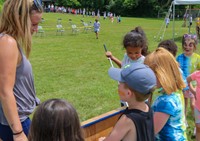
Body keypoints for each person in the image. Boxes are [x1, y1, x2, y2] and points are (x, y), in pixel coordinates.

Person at [0, 0, 43, 141]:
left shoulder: (8, 41)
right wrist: (18, 133)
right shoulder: (8, 43)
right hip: (17, 124)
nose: (36, 29)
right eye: (34, 24)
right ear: (19, 19)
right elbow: (5, 91)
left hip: (16, 121)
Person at [99, 63, 156, 141]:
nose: (118, 86)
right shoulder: (147, 107)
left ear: (128, 93)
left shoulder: (126, 120)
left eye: (120, 83)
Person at [144, 48, 187, 140]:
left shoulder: (166, 101)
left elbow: (150, 132)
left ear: (161, 73)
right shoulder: (172, 93)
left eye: (149, 73)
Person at [176, 34, 200, 130]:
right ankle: (184, 122)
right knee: (183, 105)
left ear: (194, 47)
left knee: (193, 105)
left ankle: (196, 124)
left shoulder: (197, 58)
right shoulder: (179, 57)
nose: (187, 47)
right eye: (185, 44)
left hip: (194, 87)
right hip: (182, 86)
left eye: (190, 45)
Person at [187, 70, 200, 141]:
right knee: (198, 127)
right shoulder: (197, 74)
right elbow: (188, 79)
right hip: (198, 107)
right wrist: (192, 90)